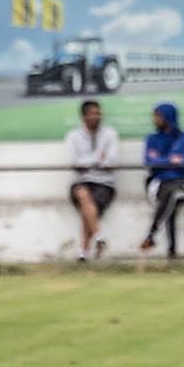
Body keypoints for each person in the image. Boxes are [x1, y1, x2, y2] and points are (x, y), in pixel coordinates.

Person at [140, 103, 184, 259]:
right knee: (170, 195)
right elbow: (149, 162)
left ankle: (152, 235)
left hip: (183, 184)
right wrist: (172, 160)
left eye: (158, 117)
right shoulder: (152, 139)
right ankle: (169, 249)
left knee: (171, 194)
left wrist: (161, 161)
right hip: (159, 184)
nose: (155, 120)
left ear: (167, 117)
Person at [66, 100, 119, 262]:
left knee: (87, 208)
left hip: (105, 182)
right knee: (83, 195)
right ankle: (98, 237)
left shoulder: (110, 134)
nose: (97, 117)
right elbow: (75, 163)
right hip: (82, 181)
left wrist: (88, 162)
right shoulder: (73, 137)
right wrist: (98, 158)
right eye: (93, 114)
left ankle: (84, 252)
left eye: (99, 113)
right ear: (84, 116)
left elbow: (111, 162)